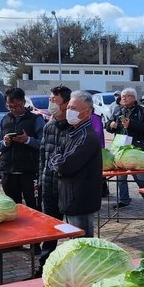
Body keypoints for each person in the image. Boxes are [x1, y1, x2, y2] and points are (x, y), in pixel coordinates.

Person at [49, 91, 102, 237]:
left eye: (74, 109)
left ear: (87, 112)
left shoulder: (87, 137)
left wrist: (57, 162)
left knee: (81, 243)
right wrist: (57, 160)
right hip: (69, 196)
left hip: (80, 199)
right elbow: (56, 154)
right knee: (73, 240)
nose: (69, 112)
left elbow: (65, 166)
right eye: (69, 108)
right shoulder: (72, 132)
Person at [37, 86, 72, 275]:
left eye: (54, 101)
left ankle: (74, 268)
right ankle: (44, 266)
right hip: (48, 186)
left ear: (66, 104)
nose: (51, 104)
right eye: (50, 100)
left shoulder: (75, 127)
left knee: (73, 230)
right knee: (50, 229)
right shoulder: (49, 126)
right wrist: (40, 178)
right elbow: (43, 154)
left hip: (68, 188)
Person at [0, 87, 44, 209]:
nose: (14, 109)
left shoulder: (36, 119)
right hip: (8, 171)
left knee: (34, 206)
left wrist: (27, 140)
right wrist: (5, 142)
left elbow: (44, 143)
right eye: (10, 106)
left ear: (24, 102)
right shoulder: (4, 120)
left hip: (30, 171)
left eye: (17, 106)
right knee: (12, 208)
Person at [106, 88, 144, 209]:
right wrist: (111, 125)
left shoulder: (142, 111)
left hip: (135, 147)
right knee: (121, 176)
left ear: (134, 98)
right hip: (120, 147)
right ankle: (124, 199)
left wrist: (131, 124)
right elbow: (108, 125)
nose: (124, 98)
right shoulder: (118, 110)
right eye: (122, 96)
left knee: (139, 176)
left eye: (127, 96)